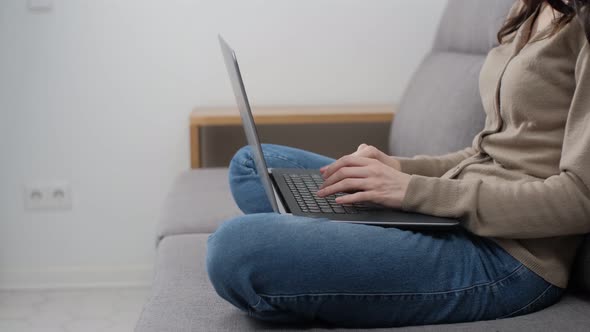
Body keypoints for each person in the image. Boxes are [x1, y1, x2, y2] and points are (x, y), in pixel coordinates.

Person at [206, 0, 590, 328]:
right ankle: (339, 239)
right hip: (456, 213)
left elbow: (580, 200)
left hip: (508, 257)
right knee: (254, 165)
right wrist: (400, 169)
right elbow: (487, 150)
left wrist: (413, 192)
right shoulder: (529, 7)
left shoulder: (582, 25)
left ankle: (326, 249)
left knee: (237, 249)